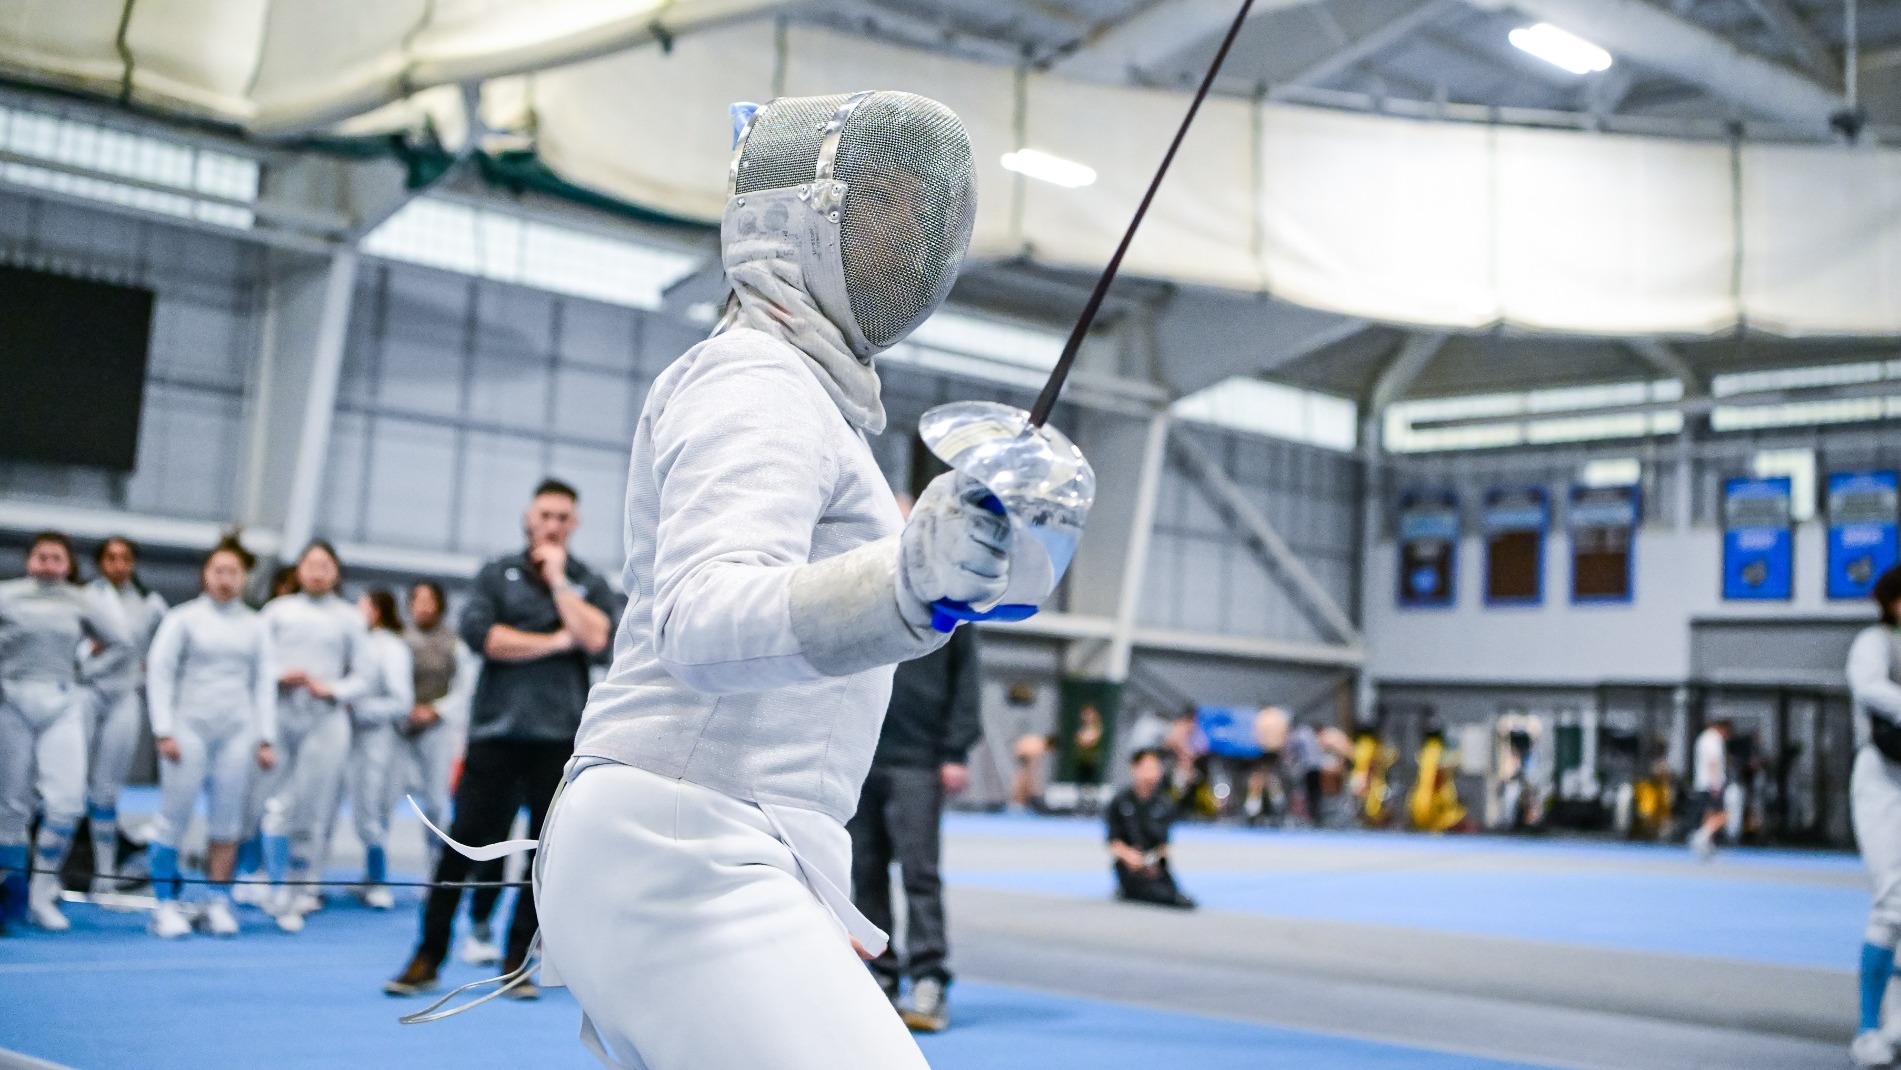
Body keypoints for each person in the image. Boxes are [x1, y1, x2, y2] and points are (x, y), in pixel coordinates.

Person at [531, 92, 1010, 1069]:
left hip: (716, 837)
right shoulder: (756, 378)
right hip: (681, 839)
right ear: (798, 214)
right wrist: (908, 585)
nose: (907, 226)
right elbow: (702, 622)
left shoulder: (806, 398)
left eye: (919, 204)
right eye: (879, 196)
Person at [385, 478, 616, 999]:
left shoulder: (587, 581)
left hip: (559, 743)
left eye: (562, 517)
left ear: (573, 524)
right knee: (460, 849)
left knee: (543, 858)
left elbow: (599, 639)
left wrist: (559, 583)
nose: (553, 525)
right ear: (529, 518)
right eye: (545, 515)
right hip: (494, 738)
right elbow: (485, 638)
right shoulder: (496, 575)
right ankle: (428, 954)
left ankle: (517, 960)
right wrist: (561, 638)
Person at [848, 611, 982, 1033]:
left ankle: (928, 977)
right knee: (865, 871)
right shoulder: (863, 593)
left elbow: (967, 682)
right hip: (859, 756)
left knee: (919, 872)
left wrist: (955, 751)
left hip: (919, 760)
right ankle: (880, 973)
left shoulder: (952, 607)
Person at [143, 536, 277, 939]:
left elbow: (263, 684)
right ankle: (164, 905)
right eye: (218, 570)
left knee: (228, 820)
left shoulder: (256, 625)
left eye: (233, 572)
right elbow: (160, 672)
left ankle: (218, 901)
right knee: (174, 815)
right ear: (206, 574)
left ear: (244, 578)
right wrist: (163, 728)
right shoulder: (182, 619)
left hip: (237, 731)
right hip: (188, 729)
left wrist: (265, 737)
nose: (225, 579)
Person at [0, 531, 131, 931]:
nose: (48, 563)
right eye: (41, 555)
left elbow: (121, 644)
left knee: (68, 801)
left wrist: (84, 673)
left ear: (67, 564)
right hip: (11, 702)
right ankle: (9, 898)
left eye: (57, 557)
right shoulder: (7, 594)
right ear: (30, 560)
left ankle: (42, 893)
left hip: (62, 702)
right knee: (11, 807)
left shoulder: (80, 600)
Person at [256, 541, 373, 932]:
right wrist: (277, 676)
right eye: (311, 564)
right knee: (276, 806)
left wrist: (332, 690)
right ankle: (274, 887)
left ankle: (301, 887)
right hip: (281, 716)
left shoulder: (349, 618)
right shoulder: (277, 612)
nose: (318, 572)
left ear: (336, 572)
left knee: (312, 809)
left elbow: (365, 676)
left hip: (326, 721)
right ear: (299, 569)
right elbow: (256, 664)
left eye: (325, 565)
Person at [82, 536, 168, 894]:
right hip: (84, 695)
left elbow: (164, 654)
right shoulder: (83, 598)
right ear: (101, 562)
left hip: (125, 698)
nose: (119, 564)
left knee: (106, 790)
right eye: (111, 557)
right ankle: (48, 874)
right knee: (68, 789)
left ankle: (104, 874)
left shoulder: (151, 605)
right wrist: (86, 649)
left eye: (125, 558)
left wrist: (147, 670)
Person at [391, 582, 479, 916]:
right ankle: (375, 876)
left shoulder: (455, 644)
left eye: (430, 601)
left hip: (438, 729)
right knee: (384, 798)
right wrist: (406, 711)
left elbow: (465, 688)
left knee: (435, 804)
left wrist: (435, 711)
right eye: (418, 600)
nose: (423, 607)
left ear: (440, 606)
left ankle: (435, 871)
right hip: (401, 726)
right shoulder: (399, 642)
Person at [1847, 566, 1901, 1068]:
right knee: (1891, 904)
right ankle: (1867, 1030)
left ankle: (1896, 1024)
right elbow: (1868, 689)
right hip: (1882, 779)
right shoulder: (1874, 641)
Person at [346, 588, 415, 910]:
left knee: (371, 811)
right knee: (355, 810)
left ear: (375, 610)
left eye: (360, 605)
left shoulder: (391, 647)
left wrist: (358, 709)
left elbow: (401, 701)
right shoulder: (361, 642)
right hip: (351, 737)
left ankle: (378, 882)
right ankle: (368, 878)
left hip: (379, 739)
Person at [1107, 749, 1195, 909]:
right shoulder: (1120, 801)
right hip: (1129, 863)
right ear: (1135, 768)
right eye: (1147, 768)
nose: (1152, 774)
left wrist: (1150, 860)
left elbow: (1164, 845)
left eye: (1155, 768)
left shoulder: (1165, 804)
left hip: (1155, 863)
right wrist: (1130, 857)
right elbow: (1113, 841)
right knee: (1151, 894)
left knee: (1172, 894)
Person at [1689, 718, 1733, 861]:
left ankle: (1707, 846)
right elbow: (1712, 762)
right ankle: (1700, 836)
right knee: (1724, 815)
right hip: (1711, 783)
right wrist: (1715, 783)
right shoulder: (1714, 739)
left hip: (1702, 782)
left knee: (1709, 815)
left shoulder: (1703, 738)